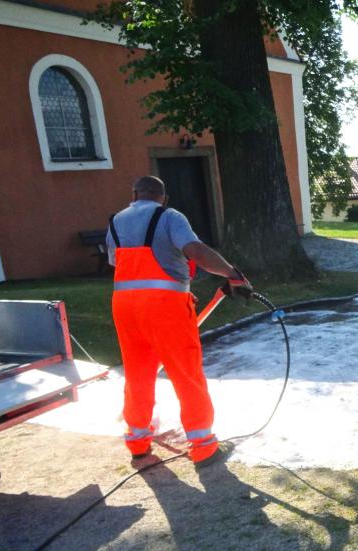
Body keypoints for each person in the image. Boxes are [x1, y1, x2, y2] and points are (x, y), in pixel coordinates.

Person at [106, 175, 250, 468]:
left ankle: (137, 441)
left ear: (134, 194)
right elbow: (195, 250)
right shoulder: (170, 216)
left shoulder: (115, 221)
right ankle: (203, 445)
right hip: (166, 307)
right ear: (164, 198)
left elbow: (115, 262)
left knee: (137, 373)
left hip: (125, 308)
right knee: (185, 372)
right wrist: (232, 273)